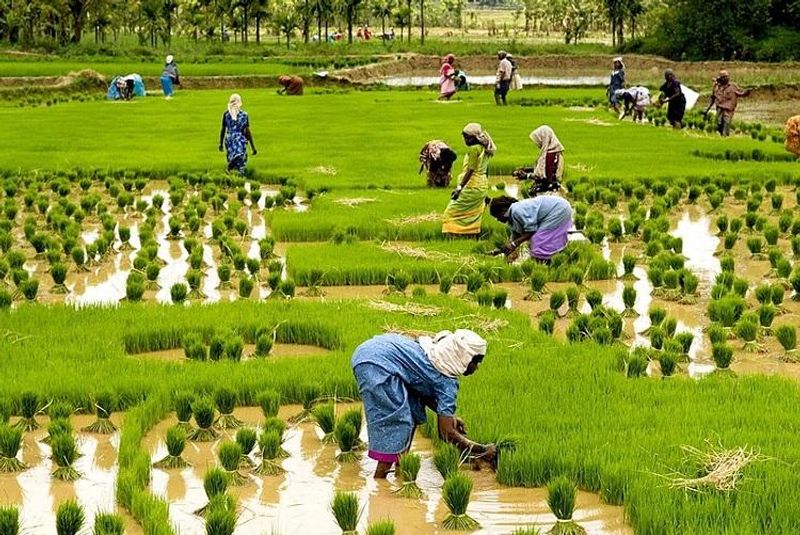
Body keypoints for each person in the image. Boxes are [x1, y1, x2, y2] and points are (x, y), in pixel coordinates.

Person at [351, 330, 496, 478]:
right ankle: (380, 482)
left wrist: (450, 416)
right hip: (376, 365)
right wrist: (482, 449)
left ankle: (403, 470)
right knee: (399, 423)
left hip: (369, 351)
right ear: (463, 357)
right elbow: (445, 433)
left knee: (412, 412)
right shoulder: (447, 382)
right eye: (475, 362)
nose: (476, 368)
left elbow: (422, 389)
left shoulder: (434, 355)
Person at [442, 123, 496, 236]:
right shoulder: (485, 149)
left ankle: (452, 236)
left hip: (471, 186)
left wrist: (459, 188)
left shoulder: (473, 150)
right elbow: (485, 170)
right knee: (472, 213)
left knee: (450, 213)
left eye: (466, 137)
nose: (464, 140)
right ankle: (470, 235)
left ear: (473, 138)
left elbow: (470, 170)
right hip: (481, 186)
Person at [489, 194, 574, 263]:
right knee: (542, 242)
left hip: (558, 209)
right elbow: (515, 238)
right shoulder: (512, 218)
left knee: (539, 240)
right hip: (560, 207)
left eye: (497, 216)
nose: (498, 220)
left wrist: (513, 244)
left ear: (503, 210)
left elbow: (531, 231)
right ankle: (554, 260)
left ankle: (542, 264)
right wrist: (501, 251)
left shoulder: (516, 211)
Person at [512, 126, 564, 196]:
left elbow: (545, 177)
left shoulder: (550, 155)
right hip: (551, 190)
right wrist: (527, 169)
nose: (538, 143)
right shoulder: (554, 151)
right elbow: (544, 169)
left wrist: (527, 176)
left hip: (547, 193)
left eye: (539, 139)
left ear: (544, 138)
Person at [218, 94, 257, 174]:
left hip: (229, 139)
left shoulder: (226, 114)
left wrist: (221, 143)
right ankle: (237, 173)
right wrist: (252, 146)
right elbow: (247, 131)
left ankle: (232, 173)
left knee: (232, 157)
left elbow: (223, 130)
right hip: (240, 140)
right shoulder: (244, 115)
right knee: (240, 159)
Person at [704, 70, 750, 136]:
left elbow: (741, 93)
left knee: (726, 124)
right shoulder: (716, 87)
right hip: (719, 108)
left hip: (728, 110)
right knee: (718, 124)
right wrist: (707, 109)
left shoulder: (733, 87)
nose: (726, 78)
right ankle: (722, 135)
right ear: (721, 78)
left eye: (727, 77)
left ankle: (725, 136)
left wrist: (747, 92)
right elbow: (713, 98)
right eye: (724, 77)